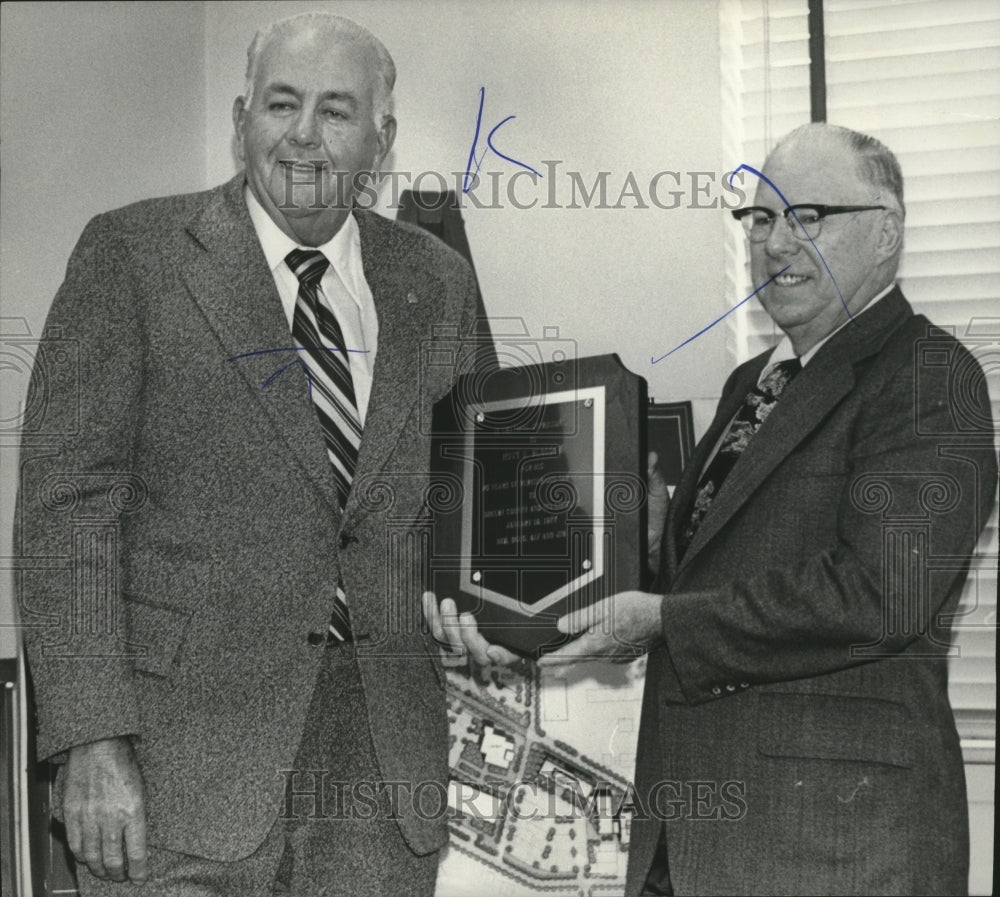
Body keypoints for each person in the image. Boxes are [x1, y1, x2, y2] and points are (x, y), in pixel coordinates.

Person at [426, 123, 997, 895]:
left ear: (886, 231)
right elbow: (709, 576)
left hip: (836, 845)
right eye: (761, 218)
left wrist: (662, 619)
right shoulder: (751, 382)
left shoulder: (930, 374)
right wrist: (574, 574)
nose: (776, 242)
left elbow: (880, 593)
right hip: (692, 834)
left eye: (808, 215)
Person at [20, 12, 491, 896]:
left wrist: (542, 579)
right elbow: (64, 513)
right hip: (172, 774)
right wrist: (89, 738)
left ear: (380, 141)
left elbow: (475, 491)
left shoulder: (436, 280)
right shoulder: (132, 256)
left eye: (336, 110)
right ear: (242, 117)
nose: (304, 132)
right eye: (282, 103)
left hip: (380, 775)